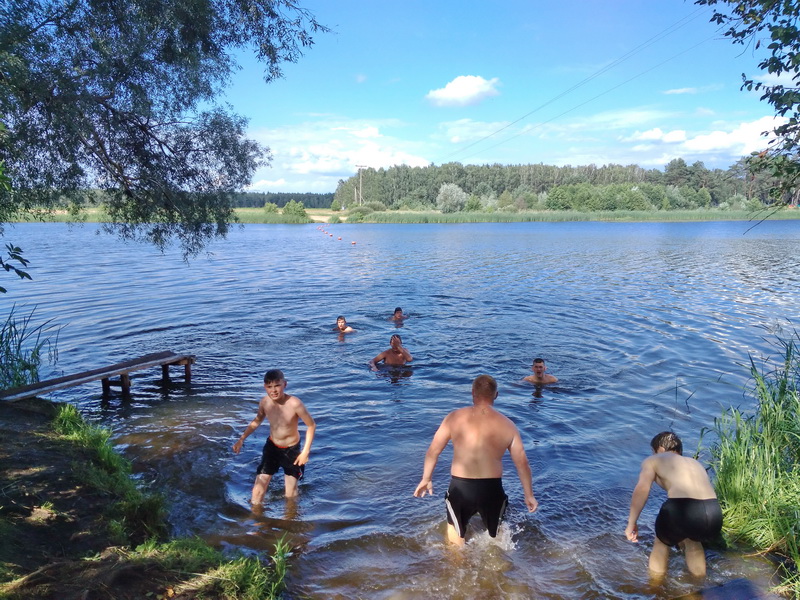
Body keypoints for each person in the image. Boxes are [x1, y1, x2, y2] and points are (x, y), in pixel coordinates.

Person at [413, 375, 538, 545]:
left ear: (473, 393)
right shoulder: (508, 425)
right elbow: (522, 463)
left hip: (461, 487)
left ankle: (458, 568)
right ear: (496, 395)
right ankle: (496, 569)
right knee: (496, 538)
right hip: (492, 489)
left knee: (455, 532)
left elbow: (433, 451)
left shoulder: (454, 418)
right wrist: (529, 495)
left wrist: (426, 478)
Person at [625, 431, 723, 578]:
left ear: (660, 450)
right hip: (713, 512)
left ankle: (655, 587)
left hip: (682, 508)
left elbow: (642, 489)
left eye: (653, 452)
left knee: (661, 543)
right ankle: (697, 589)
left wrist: (631, 522)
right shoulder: (695, 463)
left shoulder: (654, 460)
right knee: (693, 543)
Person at [232, 369, 316, 506]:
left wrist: (305, 451)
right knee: (257, 491)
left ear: (285, 384)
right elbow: (257, 421)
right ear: (265, 387)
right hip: (272, 447)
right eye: (269, 387)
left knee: (290, 495)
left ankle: (289, 521)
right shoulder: (265, 402)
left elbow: (311, 425)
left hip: (291, 450)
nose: (274, 390)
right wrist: (242, 439)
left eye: (277, 385)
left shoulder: (294, 403)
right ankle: (256, 522)